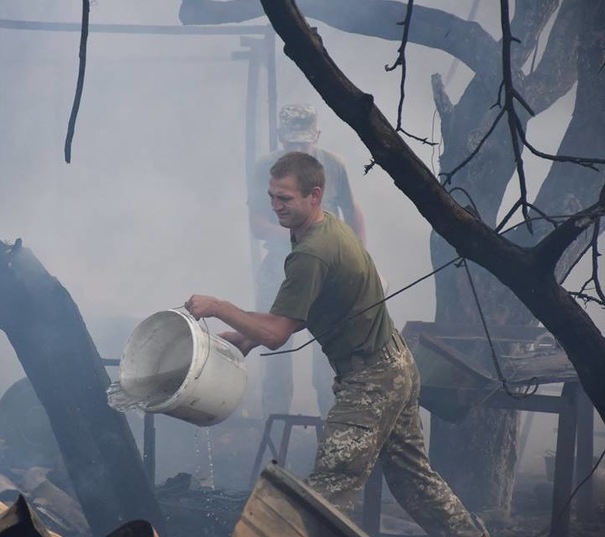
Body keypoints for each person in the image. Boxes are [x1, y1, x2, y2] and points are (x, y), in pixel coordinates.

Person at [185, 152, 487, 536]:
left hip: (371, 382)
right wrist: (246, 337)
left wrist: (219, 307)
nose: (276, 207)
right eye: (272, 197)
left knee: (327, 492)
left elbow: (277, 334)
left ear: (315, 195)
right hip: (396, 366)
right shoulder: (325, 229)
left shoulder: (312, 252)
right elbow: (301, 312)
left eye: (285, 199)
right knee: (416, 484)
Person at [248, 104, 365, 418]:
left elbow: (353, 213)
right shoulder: (265, 168)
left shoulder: (333, 166)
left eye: (304, 143)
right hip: (281, 269)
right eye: (292, 144)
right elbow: (257, 223)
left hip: (329, 273)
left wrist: (361, 261)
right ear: (281, 139)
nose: (299, 150)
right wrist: (296, 237)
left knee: (329, 361)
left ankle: (333, 430)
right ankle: (275, 435)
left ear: (316, 136)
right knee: (275, 357)